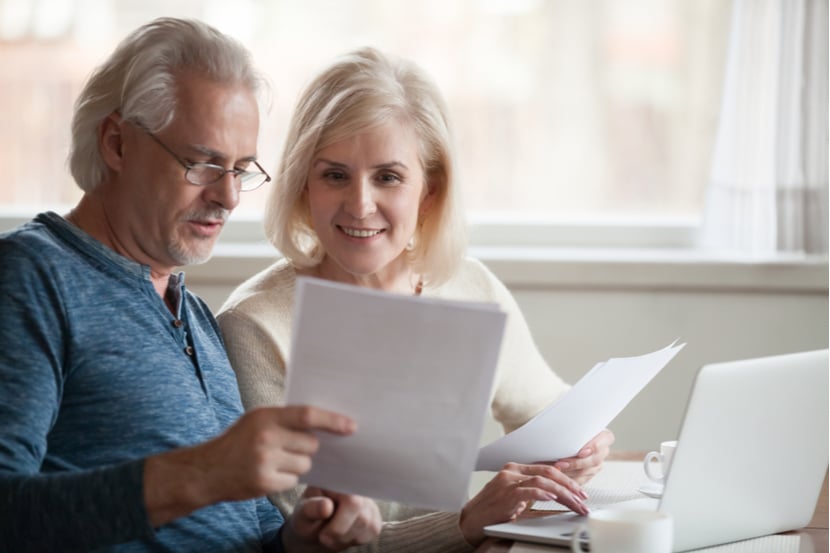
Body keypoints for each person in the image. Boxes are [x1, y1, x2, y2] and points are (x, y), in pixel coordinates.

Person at [0, 18, 382, 553]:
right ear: (117, 143)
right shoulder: (31, 278)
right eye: (203, 163)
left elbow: (239, 534)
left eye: (241, 169)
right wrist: (200, 473)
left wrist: (300, 539)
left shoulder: (197, 315)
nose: (228, 197)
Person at [217, 47, 615, 552]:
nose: (360, 204)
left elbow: (546, 411)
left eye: (388, 177)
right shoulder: (255, 325)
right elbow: (305, 540)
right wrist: (468, 524)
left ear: (430, 190)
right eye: (334, 175)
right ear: (302, 185)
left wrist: (583, 444)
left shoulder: (469, 287)